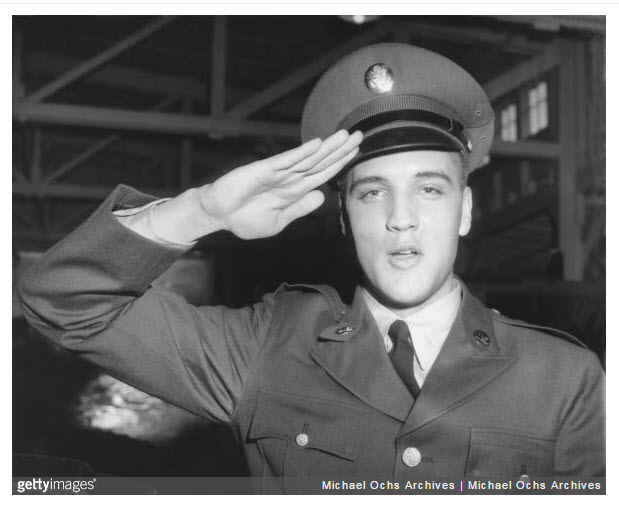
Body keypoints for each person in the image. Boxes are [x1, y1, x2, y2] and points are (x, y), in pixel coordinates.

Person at [19, 43, 604, 484]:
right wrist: (201, 210)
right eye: (372, 191)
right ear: (346, 217)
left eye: (430, 190)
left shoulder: (565, 379)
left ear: (466, 209)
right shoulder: (266, 347)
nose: (401, 218)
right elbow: (62, 299)